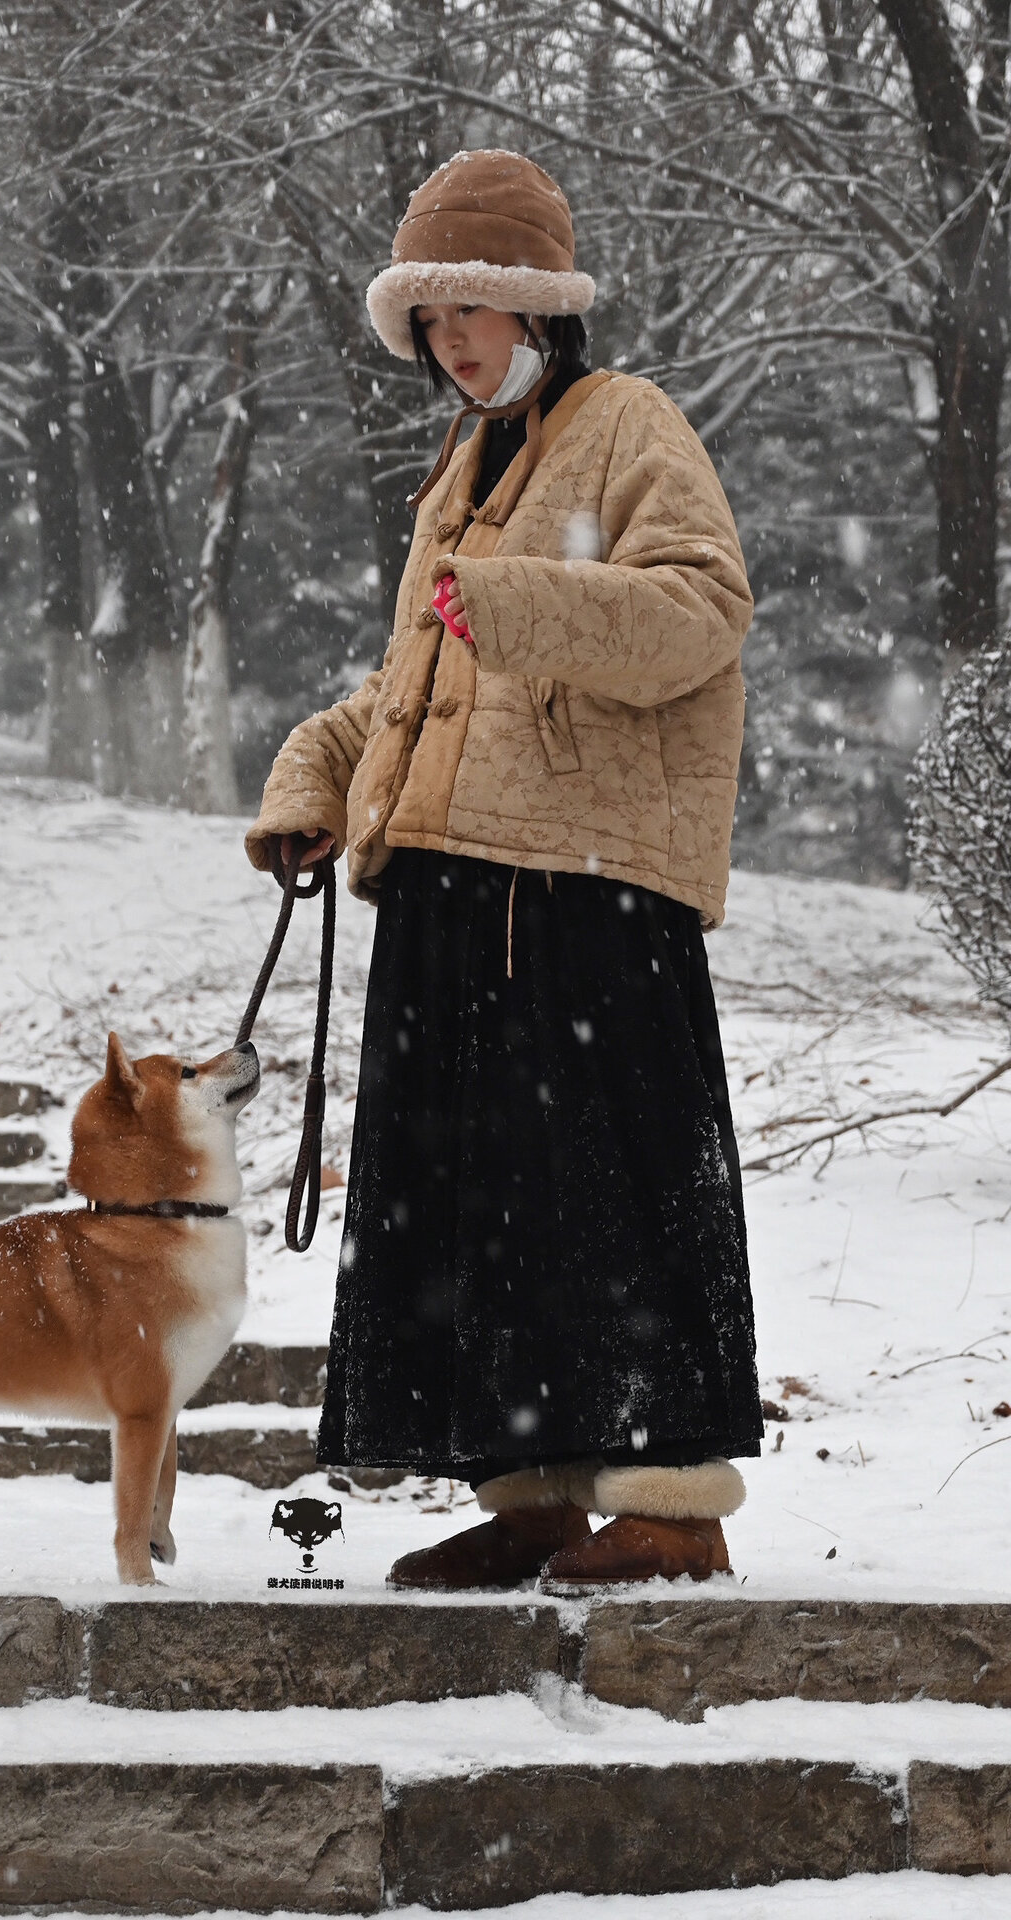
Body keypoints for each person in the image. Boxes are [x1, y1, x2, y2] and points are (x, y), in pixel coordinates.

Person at [245, 149, 762, 1589]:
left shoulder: (627, 426)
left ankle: (670, 1499)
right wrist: (320, 780)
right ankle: (529, 1484)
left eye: (473, 307)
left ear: (542, 305)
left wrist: (527, 603)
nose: (451, 339)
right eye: (429, 319)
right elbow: (414, 678)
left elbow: (699, 612)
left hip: (584, 889)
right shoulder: (456, 477)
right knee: (483, 1197)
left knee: (606, 1181)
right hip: (452, 889)